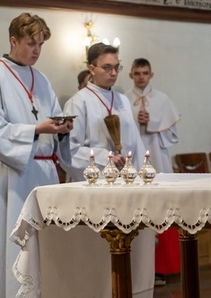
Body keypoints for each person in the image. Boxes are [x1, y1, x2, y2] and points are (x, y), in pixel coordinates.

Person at [0, 12, 73, 297]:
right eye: (31, 43)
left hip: (45, 175)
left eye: (41, 44)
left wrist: (62, 129)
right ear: (13, 40)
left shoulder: (41, 79)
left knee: (47, 248)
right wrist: (34, 129)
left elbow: (52, 119)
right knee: (16, 249)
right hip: (14, 176)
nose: (37, 50)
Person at [63, 42, 156, 294]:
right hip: (96, 191)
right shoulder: (78, 103)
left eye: (117, 67)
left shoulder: (123, 100)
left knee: (134, 255)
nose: (113, 73)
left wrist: (137, 171)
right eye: (107, 67)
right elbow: (69, 151)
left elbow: (135, 143)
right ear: (91, 68)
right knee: (100, 261)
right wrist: (105, 158)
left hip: (126, 188)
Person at [124, 58, 181, 285]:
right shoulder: (123, 100)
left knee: (161, 211)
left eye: (145, 73)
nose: (141, 77)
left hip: (158, 160)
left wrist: (153, 121)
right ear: (130, 75)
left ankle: (163, 267)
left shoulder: (162, 100)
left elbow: (173, 136)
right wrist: (135, 123)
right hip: (134, 163)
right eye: (137, 73)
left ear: (151, 75)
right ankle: (137, 267)